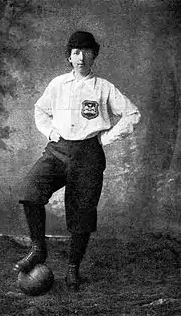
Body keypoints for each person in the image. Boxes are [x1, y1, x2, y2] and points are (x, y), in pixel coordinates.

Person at [14, 31, 141, 291]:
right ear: (69, 57)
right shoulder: (58, 84)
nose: (80, 57)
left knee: (81, 215)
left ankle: (73, 269)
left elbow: (132, 114)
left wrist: (105, 139)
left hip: (88, 156)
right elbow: (40, 110)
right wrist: (51, 132)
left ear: (94, 55)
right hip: (58, 150)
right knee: (30, 191)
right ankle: (38, 248)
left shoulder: (103, 87)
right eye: (75, 52)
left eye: (86, 51)